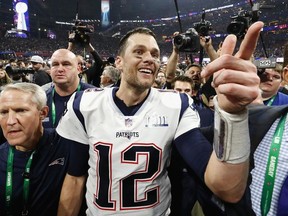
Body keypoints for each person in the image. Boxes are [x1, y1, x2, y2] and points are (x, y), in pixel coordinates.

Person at [56, 22, 264, 215]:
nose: (149, 58)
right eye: (139, 52)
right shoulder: (85, 104)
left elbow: (226, 187)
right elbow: (75, 177)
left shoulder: (176, 105)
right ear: (118, 62)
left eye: (155, 54)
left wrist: (232, 114)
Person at [0, 83, 71, 216]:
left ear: (43, 113)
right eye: (3, 112)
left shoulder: (66, 144)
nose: (10, 121)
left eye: (20, 110)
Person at [43, 49, 94, 128]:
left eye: (66, 64)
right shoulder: (42, 101)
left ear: (78, 69)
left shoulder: (95, 97)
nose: (60, 69)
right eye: (55, 64)